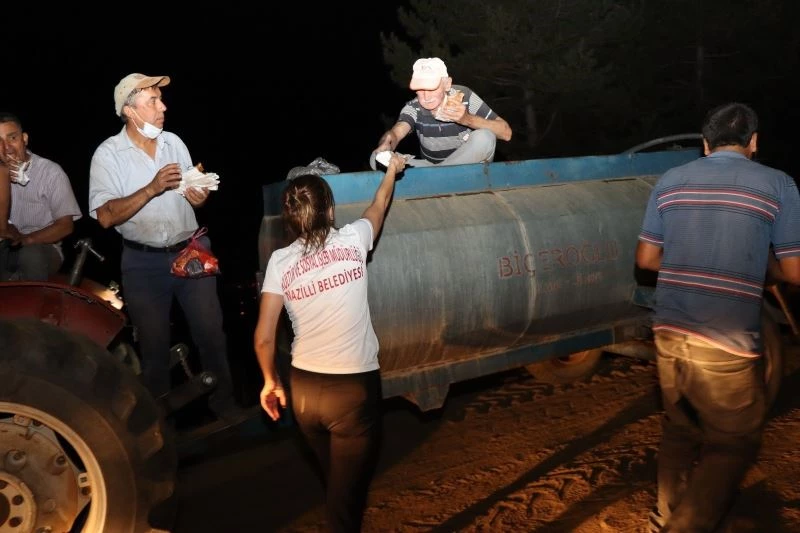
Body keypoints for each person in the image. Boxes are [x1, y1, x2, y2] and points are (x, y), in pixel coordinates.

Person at [636, 102, 800, 532]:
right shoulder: (778, 184)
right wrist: (756, 266)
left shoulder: (671, 180)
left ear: (705, 145)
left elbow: (647, 259)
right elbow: (794, 272)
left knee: (679, 429)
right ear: (754, 143)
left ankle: (664, 517)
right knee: (733, 443)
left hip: (669, 330)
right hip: (725, 338)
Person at [254, 153, 407, 532]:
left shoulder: (279, 262)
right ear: (331, 209)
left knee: (337, 482)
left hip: (305, 393)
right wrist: (391, 171)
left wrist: (270, 382)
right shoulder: (355, 239)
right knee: (344, 505)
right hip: (352, 391)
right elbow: (379, 204)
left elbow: (263, 337)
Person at [88, 73, 243, 423]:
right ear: (130, 110)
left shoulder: (174, 142)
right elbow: (105, 217)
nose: (163, 107)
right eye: (153, 101)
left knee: (211, 334)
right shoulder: (108, 155)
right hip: (142, 264)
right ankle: (160, 427)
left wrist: (198, 194)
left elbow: (190, 193)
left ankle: (225, 407)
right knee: (154, 348)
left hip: (190, 251)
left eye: (161, 99)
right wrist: (152, 188)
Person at [371, 57, 512, 168]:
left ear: (447, 84)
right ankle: (442, 176)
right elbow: (396, 133)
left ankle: (441, 177)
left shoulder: (465, 96)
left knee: (485, 137)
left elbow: (506, 133)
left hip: (467, 167)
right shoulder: (414, 107)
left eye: (432, 88)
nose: (426, 97)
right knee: (376, 157)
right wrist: (386, 144)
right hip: (429, 168)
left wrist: (467, 119)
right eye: (420, 89)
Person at [0, 112, 82, 281]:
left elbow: (66, 226)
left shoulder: (51, 172)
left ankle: (34, 305)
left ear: (24, 139)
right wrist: (3, 175)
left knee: (31, 255)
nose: (6, 148)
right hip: (6, 244)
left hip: (43, 246)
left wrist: (25, 239)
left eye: (12, 138)